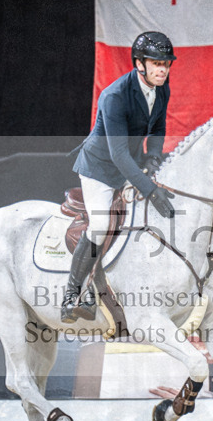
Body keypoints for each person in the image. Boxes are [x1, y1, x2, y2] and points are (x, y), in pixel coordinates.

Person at [61, 31, 178, 323]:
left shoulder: (161, 89)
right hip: (100, 168)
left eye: (166, 63)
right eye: (156, 63)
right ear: (139, 63)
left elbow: (159, 127)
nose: (162, 69)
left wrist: (152, 157)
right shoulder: (114, 96)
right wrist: (149, 188)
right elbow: (118, 155)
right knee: (100, 224)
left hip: (131, 163)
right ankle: (73, 294)